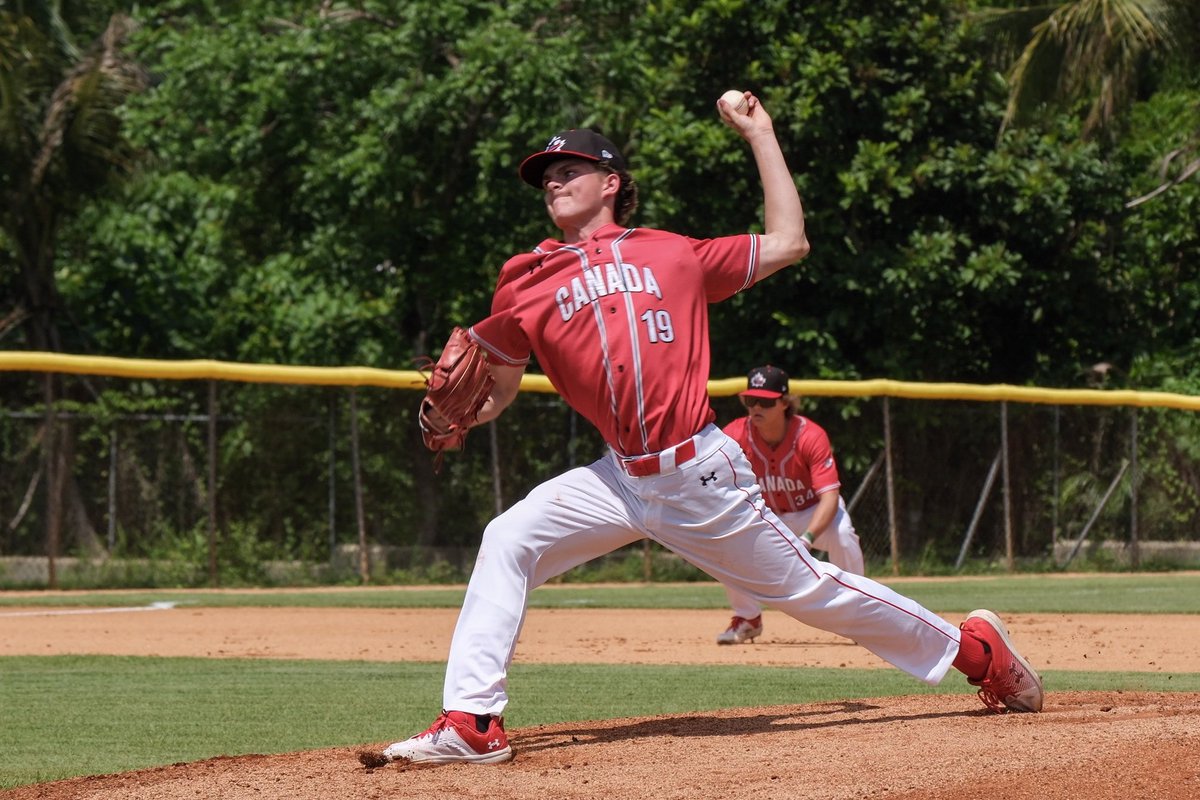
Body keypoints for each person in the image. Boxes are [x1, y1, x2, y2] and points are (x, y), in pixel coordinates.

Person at [375, 91, 1042, 767]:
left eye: (569, 169)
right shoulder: (525, 279)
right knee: (508, 538)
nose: (553, 181)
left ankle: (977, 651)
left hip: (698, 475)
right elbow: (499, 388)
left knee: (815, 594)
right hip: (618, 479)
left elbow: (789, 242)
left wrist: (760, 134)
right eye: (546, 175)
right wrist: (454, 418)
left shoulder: (674, 254)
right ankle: (473, 721)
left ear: (611, 184)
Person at [716, 364, 864, 644]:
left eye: (765, 401)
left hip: (813, 512)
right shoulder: (735, 435)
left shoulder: (810, 435)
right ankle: (747, 618)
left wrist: (806, 540)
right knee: (724, 540)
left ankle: (858, 615)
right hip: (768, 516)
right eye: (750, 400)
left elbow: (830, 498)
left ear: (784, 403)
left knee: (843, 536)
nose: (756, 407)